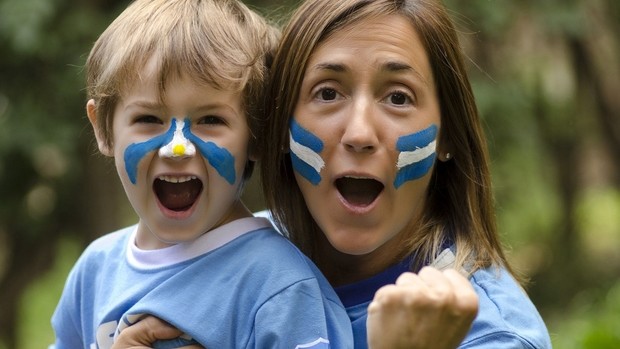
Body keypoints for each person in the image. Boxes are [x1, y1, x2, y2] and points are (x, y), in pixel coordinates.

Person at [112, 0, 553, 348]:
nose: (359, 133)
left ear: (448, 135)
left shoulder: (494, 335)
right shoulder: (231, 257)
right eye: (327, 92)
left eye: (398, 98)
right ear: (278, 127)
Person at [49, 0, 353, 348]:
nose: (177, 148)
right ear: (104, 129)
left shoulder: (281, 289)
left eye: (211, 120)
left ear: (257, 135)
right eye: (148, 119)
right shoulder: (94, 271)